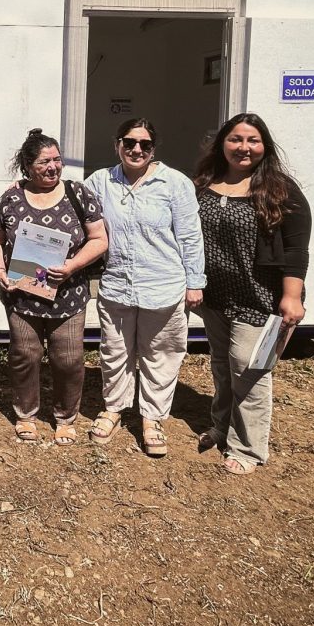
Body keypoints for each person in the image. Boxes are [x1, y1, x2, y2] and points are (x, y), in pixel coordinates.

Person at [193, 113, 312, 475]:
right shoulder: (205, 183)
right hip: (216, 297)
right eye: (236, 139)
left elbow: (296, 249)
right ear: (222, 143)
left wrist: (293, 297)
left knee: (251, 369)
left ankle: (247, 448)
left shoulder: (280, 190)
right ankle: (221, 425)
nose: (243, 148)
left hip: (260, 299)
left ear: (264, 146)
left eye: (252, 140)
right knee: (222, 366)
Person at [83, 118, 205, 457]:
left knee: (160, 355)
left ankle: (152, 418)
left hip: (163, 285)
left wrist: (195, 282)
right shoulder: (100, 181)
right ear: (117, 143)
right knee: (115, 351)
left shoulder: (175, 183)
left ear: (154, 149)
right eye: (129, 142)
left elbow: (190, 236)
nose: (136, 149)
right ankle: (114, 408)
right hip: (117, 285)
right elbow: (76, 213)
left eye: (145, 144)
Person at [0, 129, 107, 444]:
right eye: (44, 162)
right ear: (28, 165)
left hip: (68, 295)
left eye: (57, 159)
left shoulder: (78, 194)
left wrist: (71, 267)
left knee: (68, 360)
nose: (53, 167)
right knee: (25, 355)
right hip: (22, 295)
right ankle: (26, 414)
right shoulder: (11, 198)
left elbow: (99, 239)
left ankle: (66, 417)